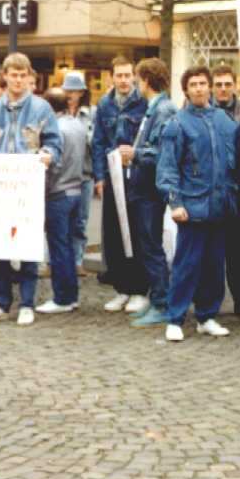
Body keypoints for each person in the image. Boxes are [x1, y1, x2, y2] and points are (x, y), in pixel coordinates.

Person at [0, 53, 63, 326]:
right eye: (14, 75)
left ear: (29, 78)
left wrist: (47, 154)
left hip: (29, 188)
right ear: (6, 77)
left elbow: (55, 144)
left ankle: (27, 303)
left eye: (23, 75)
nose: (19, 80)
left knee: (27, 246)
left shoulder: (42, 109)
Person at [157, 66, 237, 342]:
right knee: (186, 265)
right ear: (186, 90)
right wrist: (174, 202)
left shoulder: (225, 120)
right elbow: (167, 168)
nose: (200, 88)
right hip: (192, 207)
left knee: (215, 266)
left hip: (220, 206)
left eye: (204, 83)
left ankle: (207, 316)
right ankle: (175, 318)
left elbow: (239, 156)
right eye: (194, 84)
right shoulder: (177, 125)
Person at [91, 55, 148, 313]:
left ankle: (139, 289)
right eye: (119, 75)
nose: (124, 80)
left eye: (127, 75)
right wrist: (100, 176)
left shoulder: (144, 102)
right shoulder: (104, 104)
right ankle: (122, 288)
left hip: (137, 177)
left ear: (134, 76)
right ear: (111, 77)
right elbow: (99, 142)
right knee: (114, 233)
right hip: (113, 177)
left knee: (136, 232)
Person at [124, 58, 177, 327]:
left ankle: (162, 303)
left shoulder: (164, 110)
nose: (135, 83)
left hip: (149, 189)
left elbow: (163, 152)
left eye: (137, 77)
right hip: (143, 187)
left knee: (152, 246)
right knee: (148, 245)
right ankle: (157, 298)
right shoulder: (154, 108)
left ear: (145, 79)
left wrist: (134, 154)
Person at [36, 87, 86, 314]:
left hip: (58, 193)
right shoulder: (77, 124)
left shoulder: (56, 129)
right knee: (68, 246)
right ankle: (71, 295)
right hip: (77, 189)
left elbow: (53, 165)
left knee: (59, 248)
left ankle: (63, 298)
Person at [211, 64, 240, 316]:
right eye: (219, 84)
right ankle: (211, 300)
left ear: (235, 85)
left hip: (239, 188)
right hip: (214, 187)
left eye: (228, 84)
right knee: (212, 250)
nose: (223, 89)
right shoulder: (206, 111)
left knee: (237, 250)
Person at [62, 71, 94, 277]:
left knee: (80, 221)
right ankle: (53, 261)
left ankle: (77, 260)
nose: (71, 94)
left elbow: (96, 143)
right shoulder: (57, 113)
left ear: (82, 92)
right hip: (62, 177)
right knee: (58, 221)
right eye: (68, 90)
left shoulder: (91, 114)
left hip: (84, 174)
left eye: (75, 90)